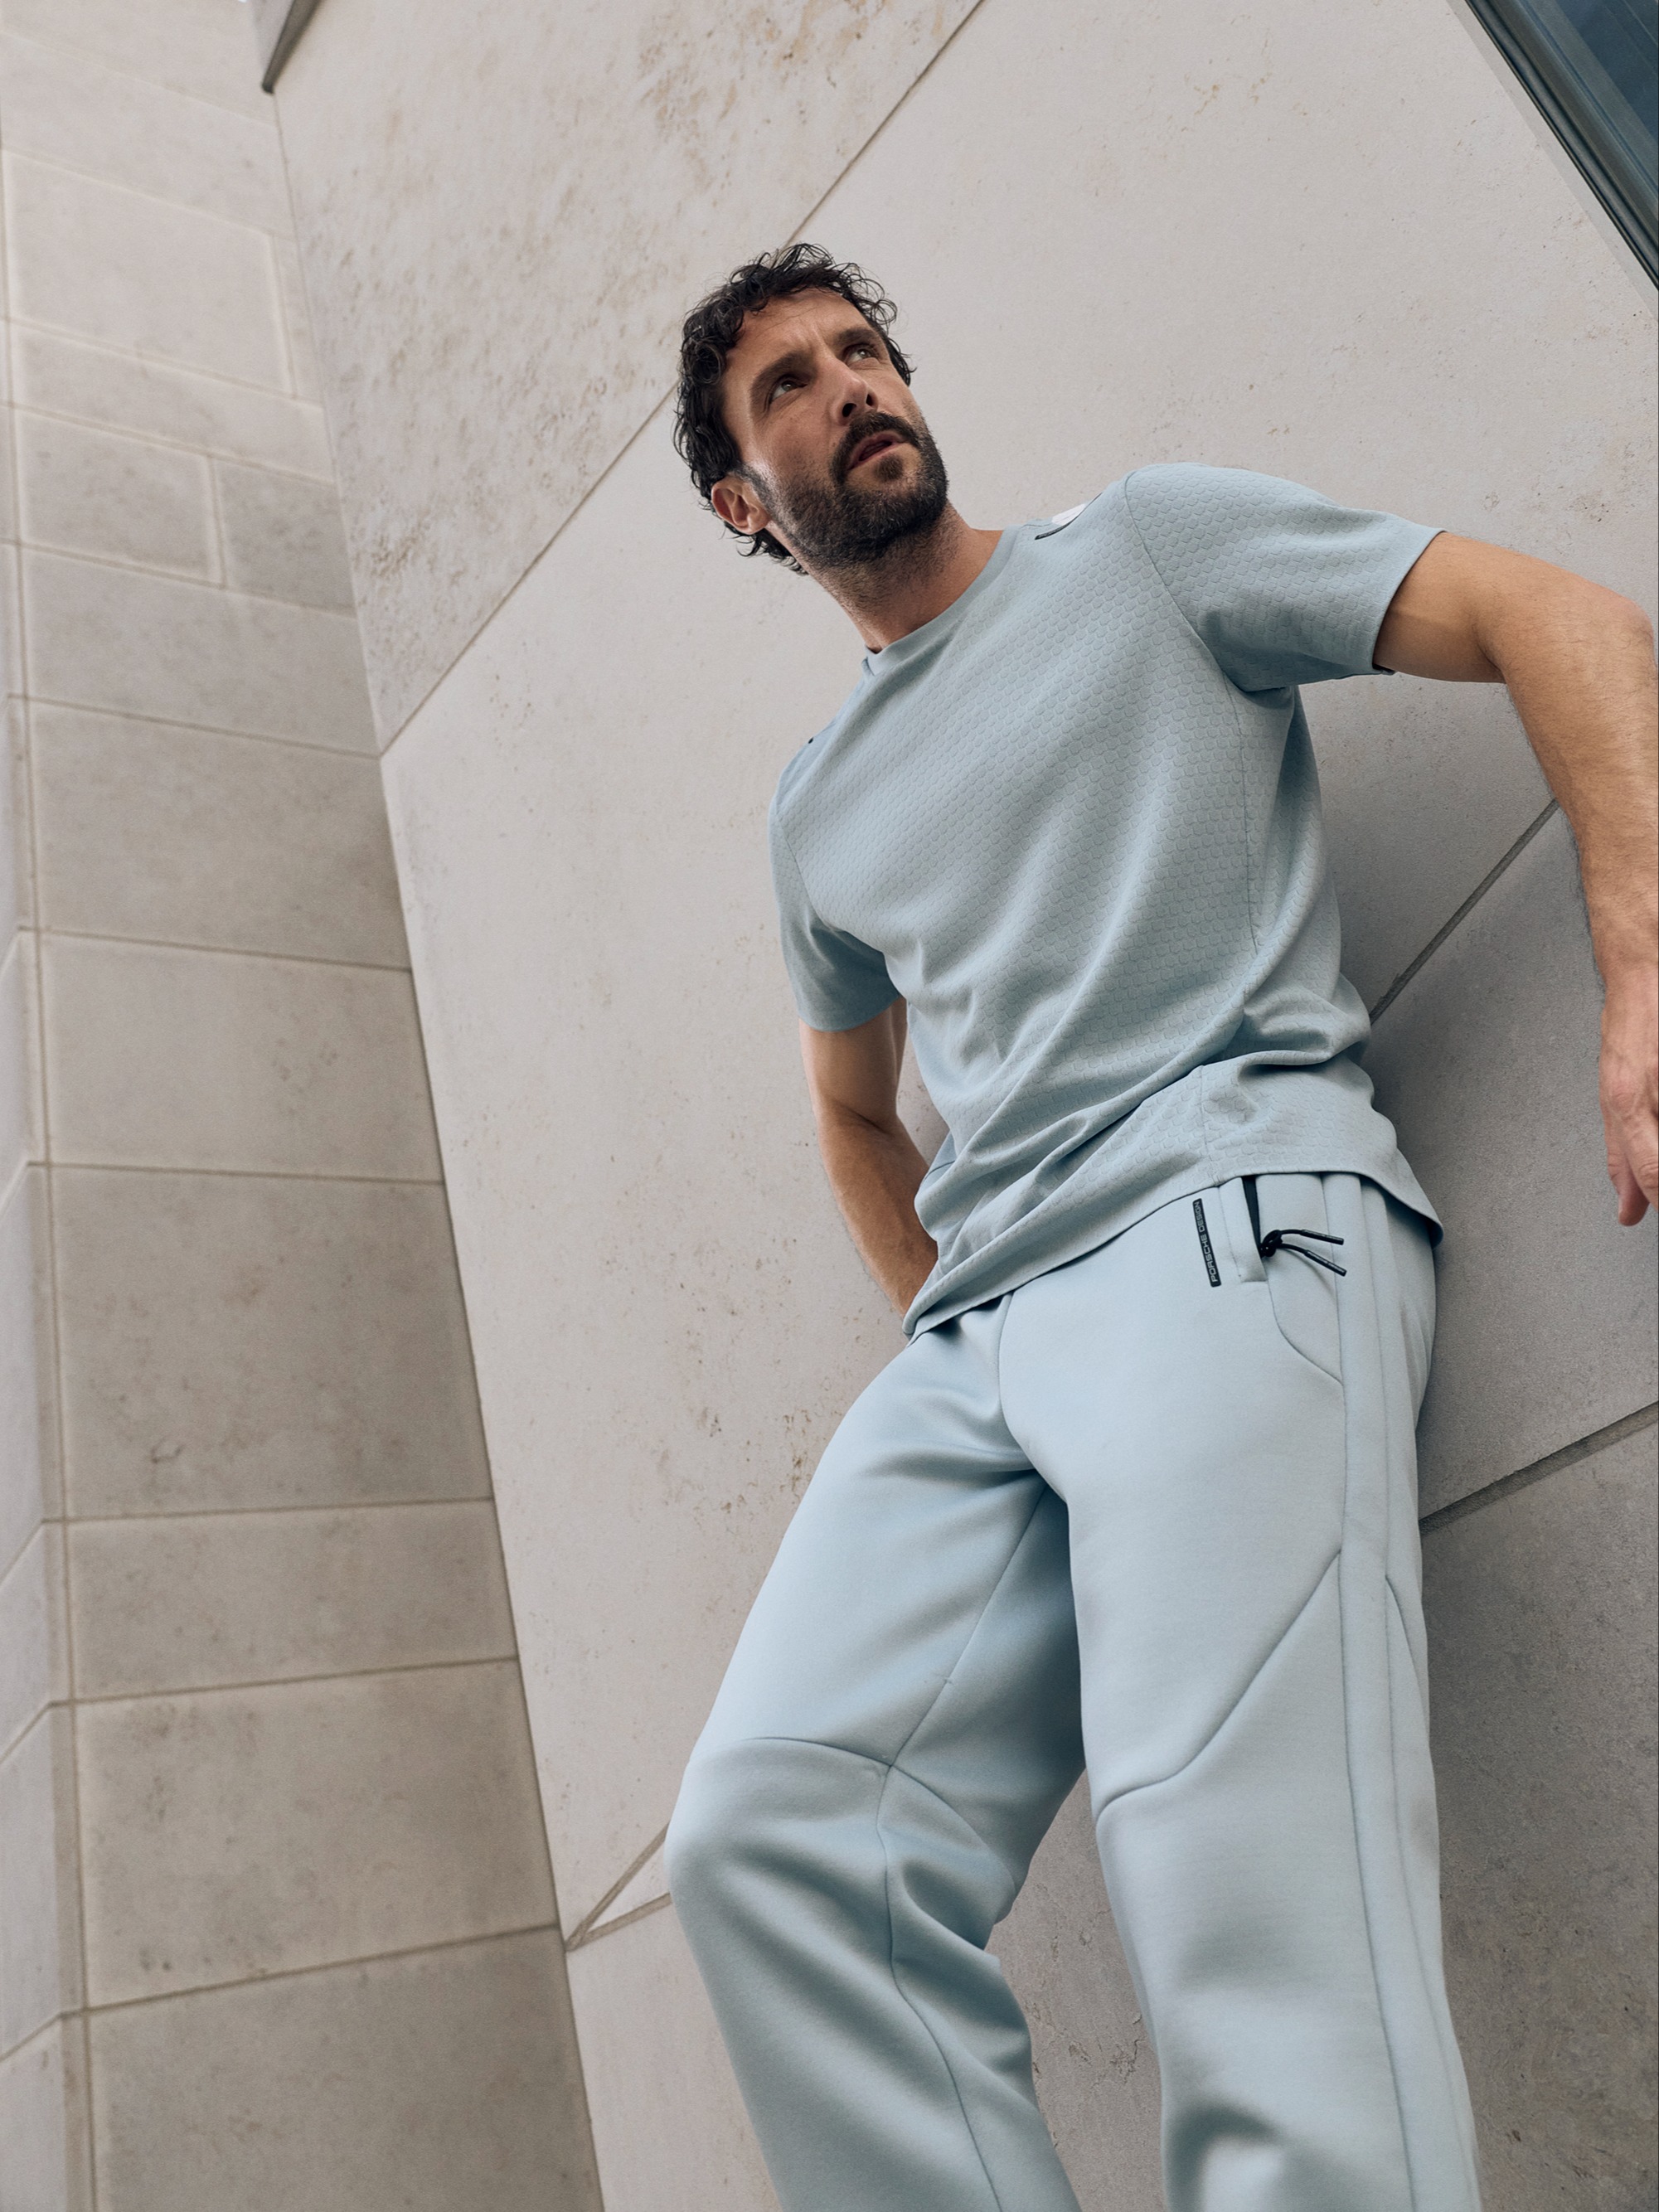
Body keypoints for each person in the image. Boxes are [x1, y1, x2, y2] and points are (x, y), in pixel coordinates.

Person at [661, 244, 1657, 2212]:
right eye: (785, 383)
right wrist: (945, 1308)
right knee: (772, 1836)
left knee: (1243, 1910)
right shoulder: (812, 811)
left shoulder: (1144, 553)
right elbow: (851, 1113)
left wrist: (1637, 971)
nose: (847, 387)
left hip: (1227, 1221)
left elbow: (1555, 614)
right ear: (735, 497)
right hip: (980, 1342)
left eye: (862, 351)